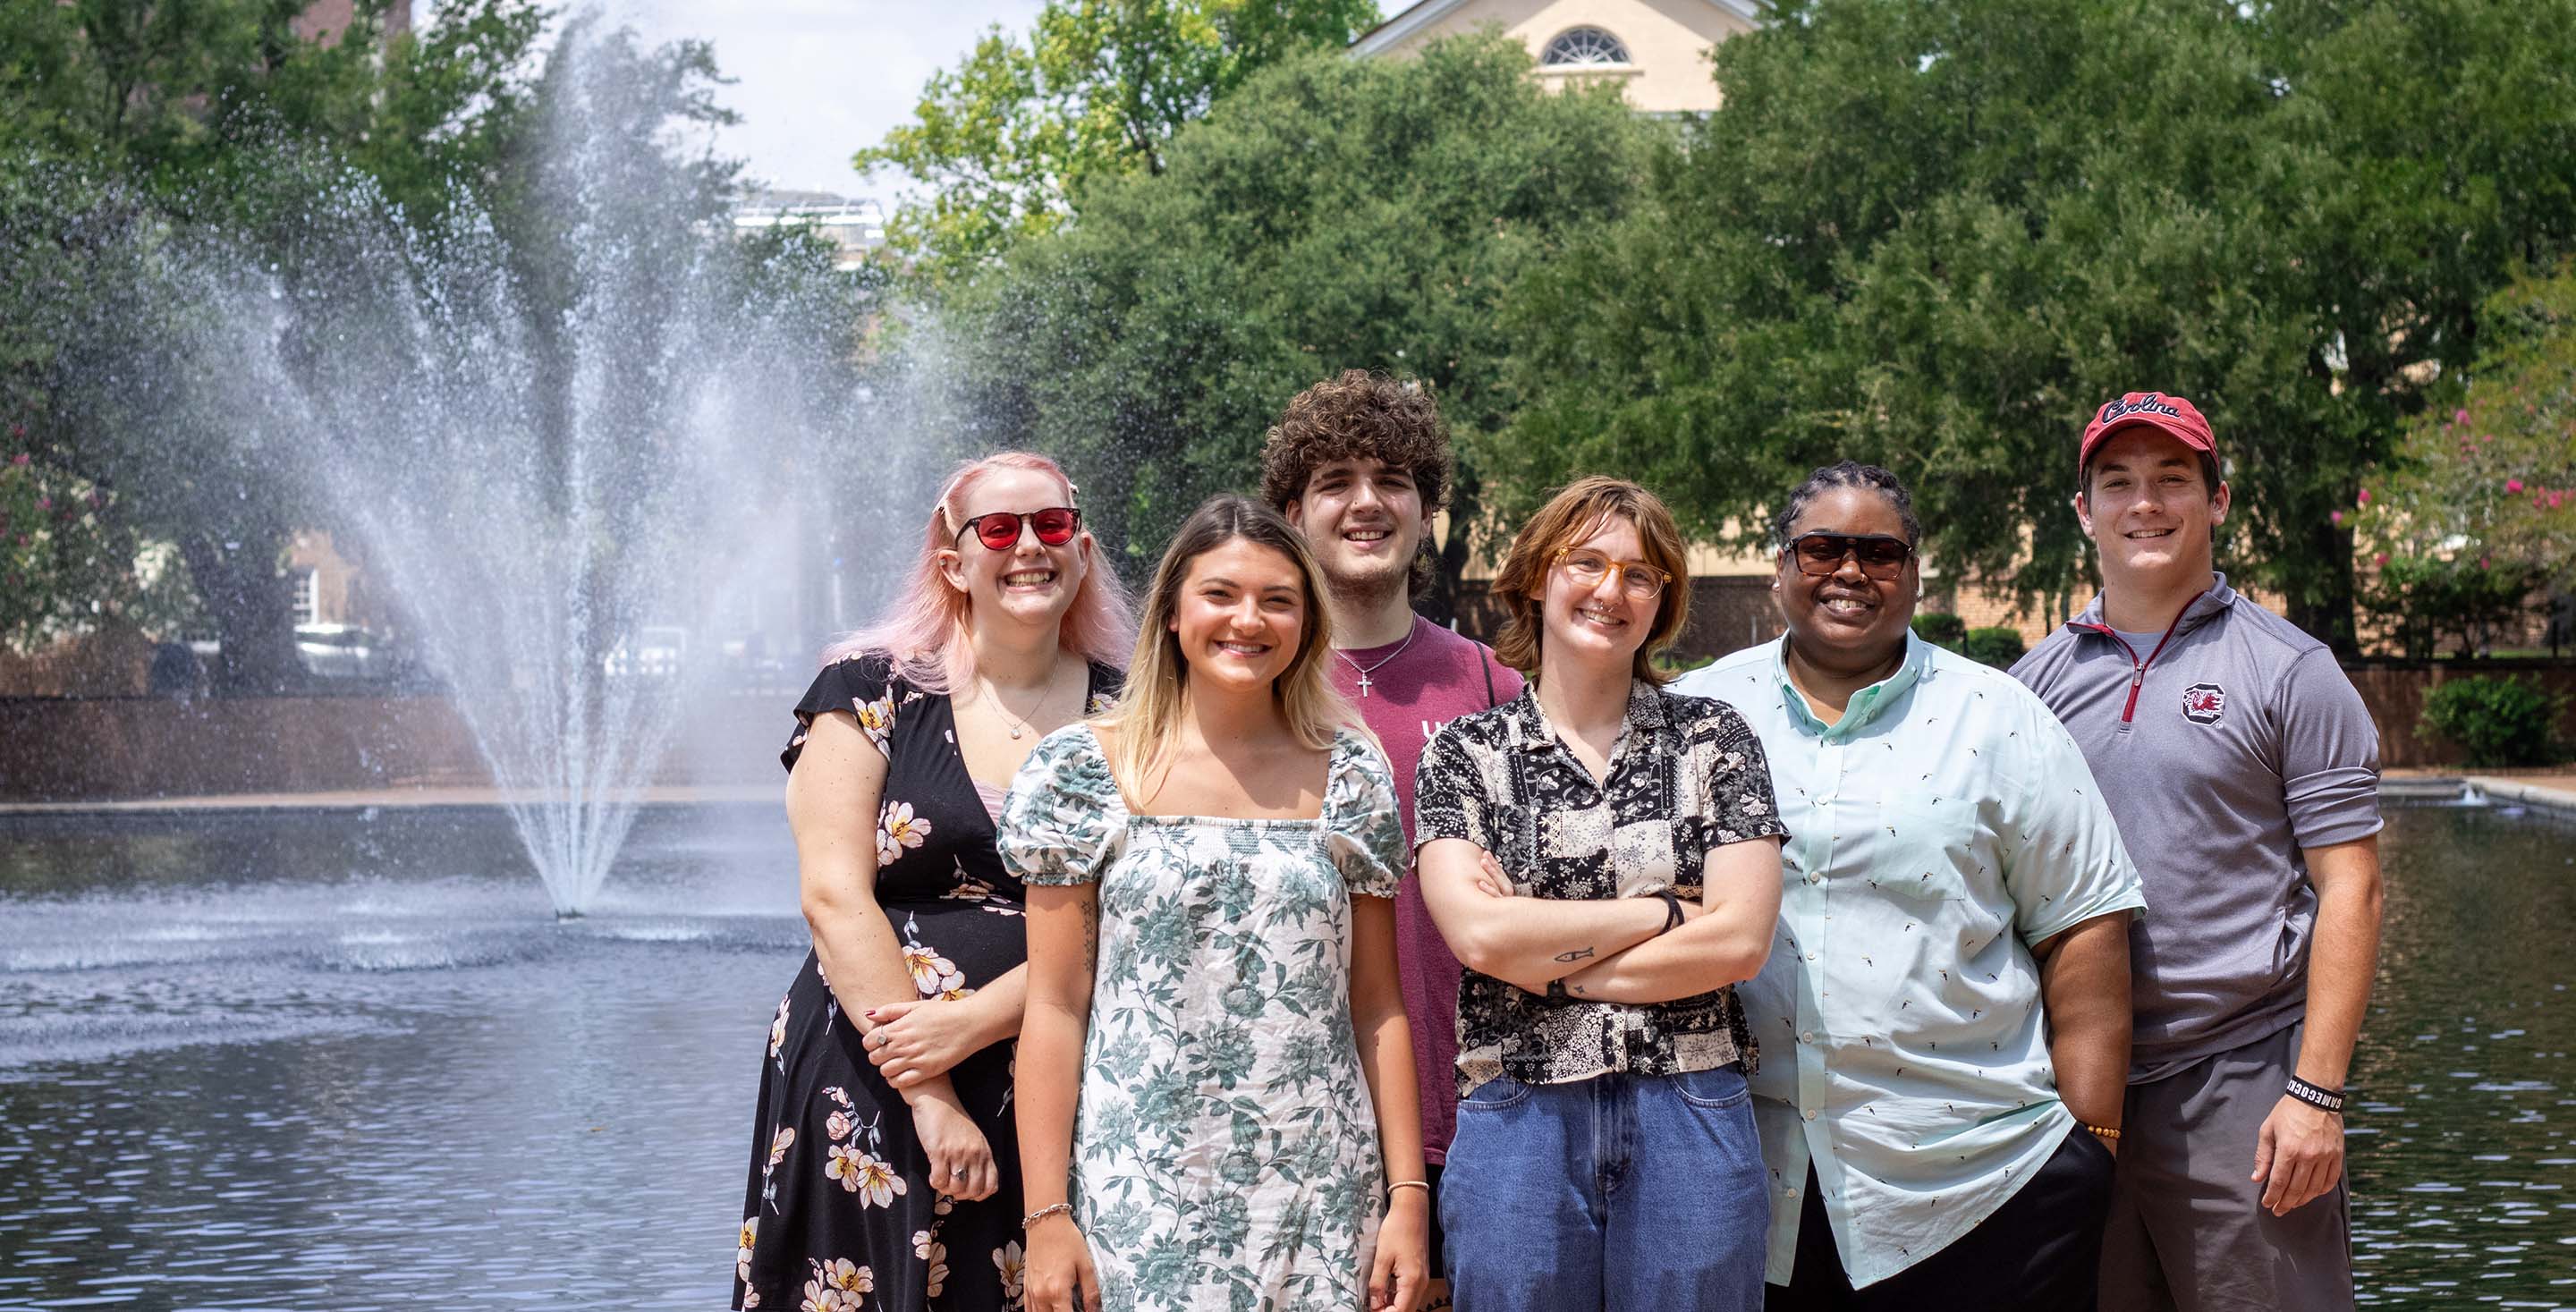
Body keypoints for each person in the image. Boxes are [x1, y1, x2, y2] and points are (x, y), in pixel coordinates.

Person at [1673, 461, 2145, 1309]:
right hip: (1742, 1180)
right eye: (1822, 548)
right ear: (1781, 562)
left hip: (1980, 1188)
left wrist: (2093, 1145)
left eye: (1880, 553)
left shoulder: (1999, 719)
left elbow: (2084, 929)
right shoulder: (1695, 715)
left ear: (1915, 573)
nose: (1850, 571)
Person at [1002, 495, 1431, 1312]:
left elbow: (1378, 1006)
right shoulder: (1079, 772)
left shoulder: (1351, 774)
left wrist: (1408, 1196)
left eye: (1278, 600)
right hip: (1139, 1186)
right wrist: (1047, 1214)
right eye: (1222, 594)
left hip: (1319, 1190)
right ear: (1170, 612)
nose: (1250, 619)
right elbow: (1055, 1007)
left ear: (1307, 622)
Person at [2011, 393, 2385, 1312]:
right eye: (2120, 483)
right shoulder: (2026, 689)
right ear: (2083, 511)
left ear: (2217, 501)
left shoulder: (2291, 671)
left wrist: (2318, 1096)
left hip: (2244, 1081)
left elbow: (2354, 890)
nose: (2146, 503)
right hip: (2073, 1087)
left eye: (2173, 480)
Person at [734, 453, 1131, 1312]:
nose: (1028, 545)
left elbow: (1131, 920)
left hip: (1065, 1083)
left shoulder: (1135, 716)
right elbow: (833, 897)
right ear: (954, 562)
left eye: (1051, 525)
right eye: (999, 528)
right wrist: (931, 1092)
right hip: (873, 1079)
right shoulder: (869, 693)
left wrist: (975, 1020)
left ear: (1084, 549)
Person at [1413, 476, 1785, 1312]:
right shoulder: (1466, 755)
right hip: (1519, 1110)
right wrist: (1659, 915)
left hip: (1688, 1099)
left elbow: (1739, 942)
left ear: (1662, 602)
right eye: (1586, 562)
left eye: (1640, 573)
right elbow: (1477, 936)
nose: (1611, 590)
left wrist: (1541, 956)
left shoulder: (1712, 739)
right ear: (1539, 576)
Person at [1259, 369, 1522, 1302]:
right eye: (1335, 481)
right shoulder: (1238, 688)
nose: (1367, 502)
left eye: (1394, 480)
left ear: (1424, 511)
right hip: (1291, 1119)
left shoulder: (1496, 690)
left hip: (1474, 1120)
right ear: (1293, 512)